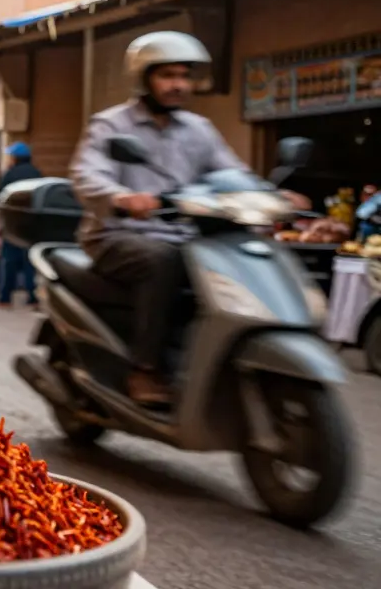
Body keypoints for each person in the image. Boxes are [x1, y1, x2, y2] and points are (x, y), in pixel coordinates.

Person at [71, 30, 307, 406]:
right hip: (118, 235)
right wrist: (122, 198)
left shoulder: (199, 129)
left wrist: (270, 195)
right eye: (167, 75)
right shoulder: (111, 125)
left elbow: (232, 173)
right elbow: (87, 174)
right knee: (162, 261)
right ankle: (145, 369)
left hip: (186, 235)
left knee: (239, 258)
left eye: (184, 76)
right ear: (144, 79)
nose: (178, 85)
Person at [0, 142, 42, 309]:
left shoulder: (9, 174)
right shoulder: (37, 174)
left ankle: (5, 298)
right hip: (32, 225)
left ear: (15, 158)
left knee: (9, 261)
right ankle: (33, 298)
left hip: (12, 225)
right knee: (30, 262)